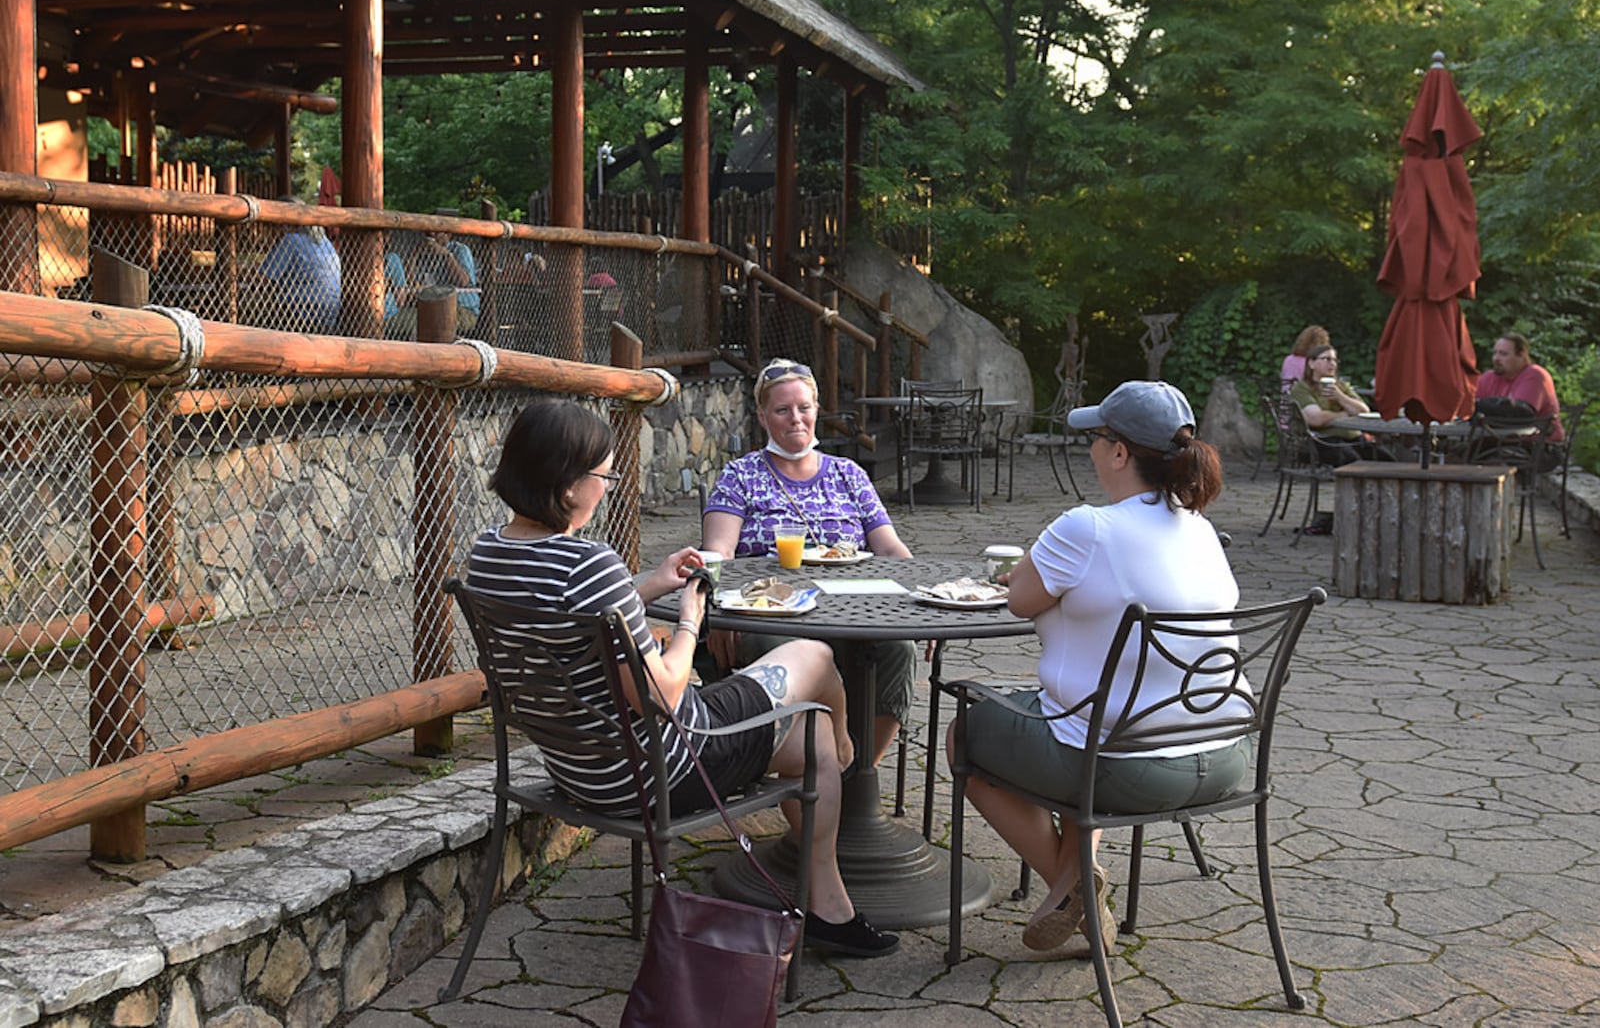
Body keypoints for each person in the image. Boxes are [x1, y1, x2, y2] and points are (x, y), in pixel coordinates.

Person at [466, 398, 898, 958]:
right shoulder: (588, 563)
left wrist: (648, 585)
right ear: (569, 486)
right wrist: (691, 619)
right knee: (813, 656)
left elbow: (582, 617)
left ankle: (828, 905)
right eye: (604, 475)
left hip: (580, 770)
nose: (608, 487)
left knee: (809, 736)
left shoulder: (489, 553)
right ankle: (849, 759)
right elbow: (664, 691)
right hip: (661, 768)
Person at [948, 380, 1246, 955]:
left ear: (1120, 453)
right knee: (1094, 721)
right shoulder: (1202, 528)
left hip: (1129, 768)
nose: (1090, 449)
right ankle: (1078, 887)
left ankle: (1078, 887)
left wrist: (1044, 567)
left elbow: (1020, 600)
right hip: (1225, 755)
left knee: (969, 734)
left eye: (1098, 437)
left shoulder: (1086, 527)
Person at [701, 359, 917, 768]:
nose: (795, 418)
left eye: (804, 407)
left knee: (898, 648)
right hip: (769, 617)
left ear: (817, 409)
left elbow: (890, 548)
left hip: (853, 612)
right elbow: (717, 554)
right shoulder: (740, 476)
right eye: (782, 410)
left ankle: (853, 776)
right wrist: (718, 612)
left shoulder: (848, 474)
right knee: (792, 652)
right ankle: (808, 779)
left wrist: (926, 603)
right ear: (763, 416)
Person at [261, 197, 342, 333]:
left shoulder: (291, 241)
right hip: (331, 313)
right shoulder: (325, 243)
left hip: (299, 311)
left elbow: (264, 280)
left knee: (257, 313)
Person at [1475, 332, 1564, 441]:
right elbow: (1469, 406)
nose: (1496, 359)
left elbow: (1519, 417)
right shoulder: (1489, 377)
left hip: (1538, 447)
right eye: (1495, 353)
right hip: (1499, 443)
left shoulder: (1535, 375)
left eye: (1503, 354)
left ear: (1521, 355)